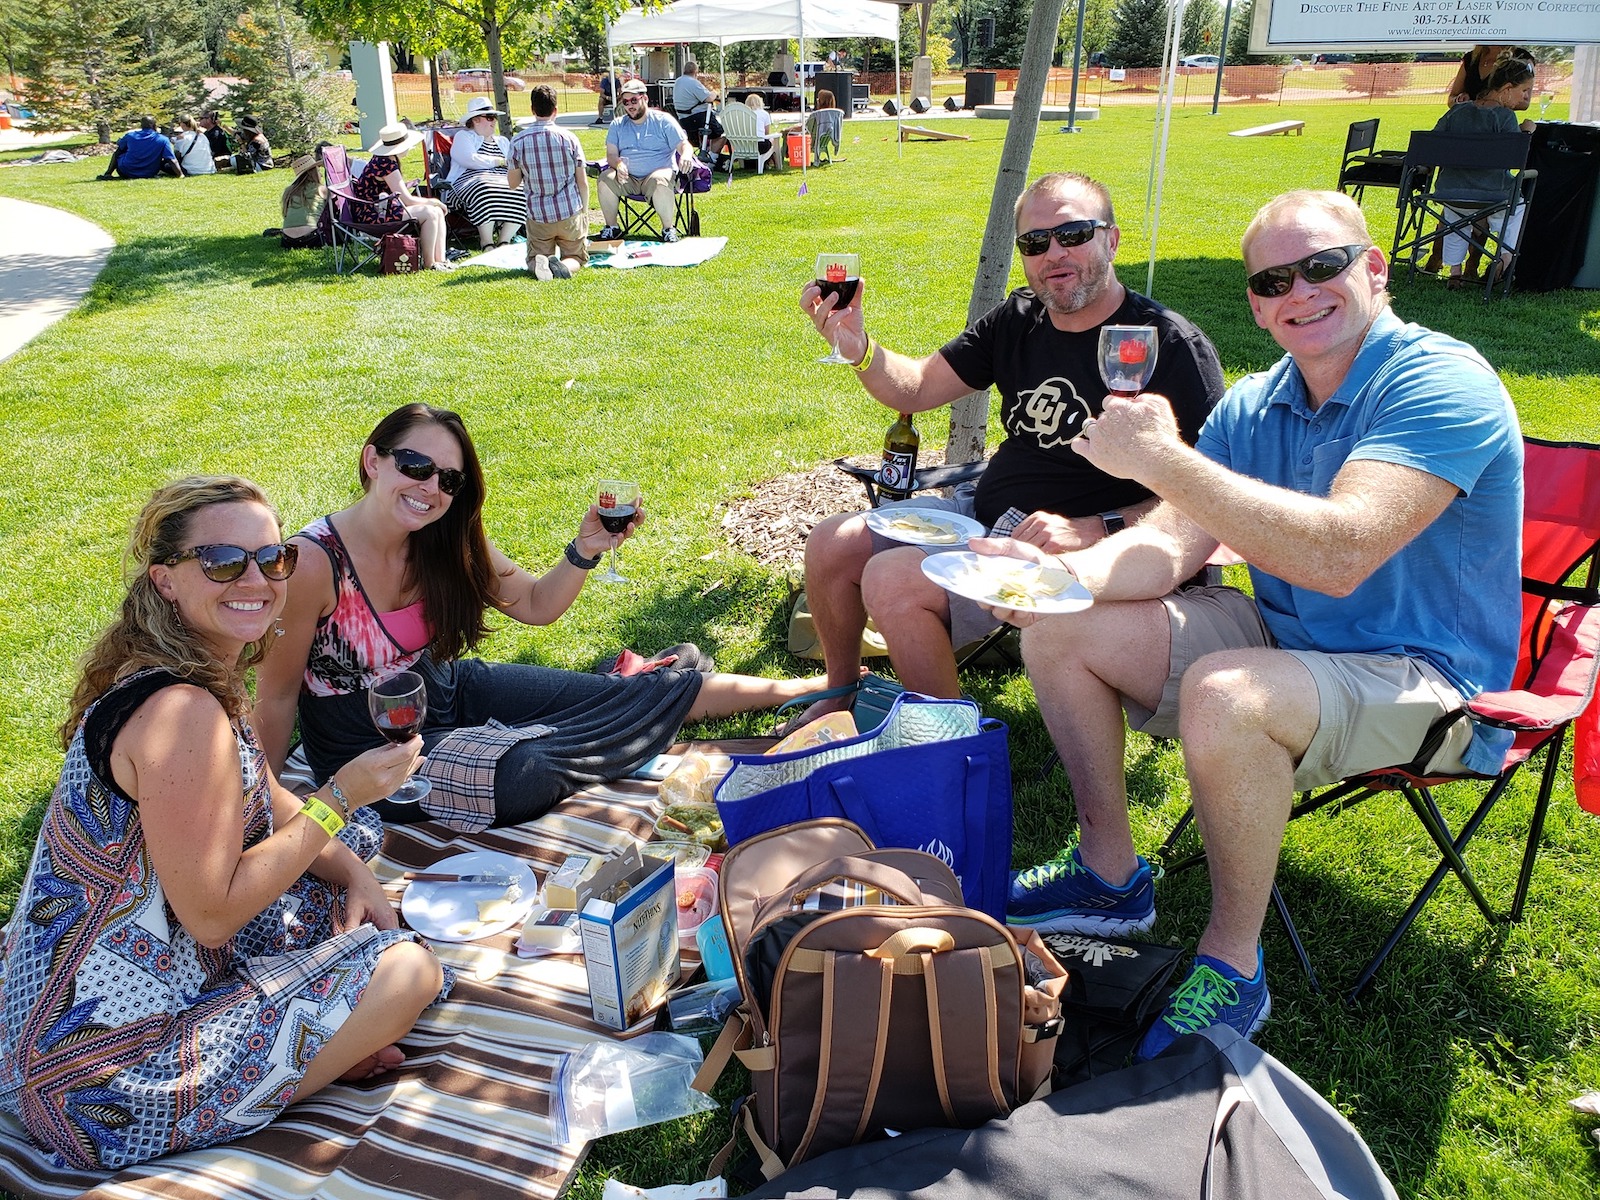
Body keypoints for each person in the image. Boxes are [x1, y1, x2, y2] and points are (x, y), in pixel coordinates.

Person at [988, 190, 1522, 1060]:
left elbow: (1340, 553)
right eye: (1274, 280)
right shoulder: (1257, 400)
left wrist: (1162, 459)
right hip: (1288, 635)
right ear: (1255, 304)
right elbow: (1166, 547)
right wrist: (1061, 579)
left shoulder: (1440, 381)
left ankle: (1232, 968)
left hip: (1424, 673)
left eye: (1323, 266)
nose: (1300, 292)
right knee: (1063, 629)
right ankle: (1110, 876)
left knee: (1227, 692)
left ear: (1374, 269)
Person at [0, 476, 451, 1172]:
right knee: (409, 970)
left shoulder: (190, 671)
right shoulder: (182, 715)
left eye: (273, 559)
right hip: (103, 1087)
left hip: (71, 1018)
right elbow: (213, 917)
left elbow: (267, 796)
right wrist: (342, 793)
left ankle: (314, 1046)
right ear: (167, 581)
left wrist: (356, 868)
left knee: (338, 873)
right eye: (221, 562)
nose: (257, 579)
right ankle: (304, 1069)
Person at [253, 404, 829, 832]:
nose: (430, 488)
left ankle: (807, 688)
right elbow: (276, 698)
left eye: (448, 480)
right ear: (373, 461)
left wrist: (584, 550)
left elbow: (535, 605)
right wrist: (268, 808)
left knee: (645, 696)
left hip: (445, 690)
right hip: (369, 746)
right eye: (415, 464)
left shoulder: (445, 538)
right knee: (523, 772)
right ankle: (633, 694)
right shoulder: (312, 563)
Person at [793, 171, 1223, 721]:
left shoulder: (1165, 344)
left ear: (1111, 239)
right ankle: (841, 693)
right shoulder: (1019, 319)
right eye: (1035, 242)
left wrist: (1103, 525)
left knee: (892, 580)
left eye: (1073, 234)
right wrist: (857, 347)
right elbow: (917, 386)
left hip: (1088, 550)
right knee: (833, 541)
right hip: (984, 517)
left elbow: (1213, 494)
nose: (1053, 254)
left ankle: (949, 747)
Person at [1431, 55, 1537, 290]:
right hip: (1492, 197)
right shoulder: (1505, 116)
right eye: (1524, 91)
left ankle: (1454, 271)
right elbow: (1515, 158)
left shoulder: (1456, 112)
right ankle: (1505, 258)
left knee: (1454, 217)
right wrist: (1526, 133)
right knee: (1516, 207)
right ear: (1507, 89)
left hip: (1450, 192)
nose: (1526, 97)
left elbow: (1432, 142)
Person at [507, 84, 590, 280]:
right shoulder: (570, 138)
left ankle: (541, 264)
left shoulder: (518, 141)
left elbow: (513, 183)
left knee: (535, 258)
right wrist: (583, 211)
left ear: (532, 110)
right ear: (556, 110)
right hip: (569, 211)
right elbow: (582, 182)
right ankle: (564, 267)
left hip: (539, 215)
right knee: (576, 256)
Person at [596, 79, 694, 243]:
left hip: (657, 175)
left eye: (634, 100)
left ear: (645, 99)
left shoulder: (663, 121)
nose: (630, 105)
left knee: (660, 180)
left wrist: (685, 155)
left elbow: (685, 145)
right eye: (625, 102)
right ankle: (612, 227)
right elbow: (611, 154)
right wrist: (618, 164)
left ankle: (668, 229)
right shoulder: (617, 124)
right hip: (627, 178)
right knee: (605, 178)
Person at [351, 123, 453, 271]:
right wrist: (434, 201)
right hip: (373, 215)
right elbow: (407, 200)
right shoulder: (386, 164)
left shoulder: (384, 159)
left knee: (435, 211)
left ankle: (441, 260)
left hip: (381, 209)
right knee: (431, 212)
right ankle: (430, 264)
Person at [446, 96, 525, 251]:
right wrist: (499, 161)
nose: (493, 121)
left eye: (494, 117)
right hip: (468, 181)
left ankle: (504, 241)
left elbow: (513, 163)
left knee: (522, 189)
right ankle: (487, 242)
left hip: (501, 180)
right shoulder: (464, 137)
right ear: (475, 120)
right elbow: (469, 160)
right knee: (484, 187)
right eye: (489, 118)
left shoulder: (502, 141)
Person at [673, 59, 728, 165]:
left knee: (710, 134)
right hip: (699, 117)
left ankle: (705, 155)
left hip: (683, 119)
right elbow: (708, 98)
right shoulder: (693, 82)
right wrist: (715, 93)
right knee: (721, 135)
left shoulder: (678, 81)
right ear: (696, 72)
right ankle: (711, 161)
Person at [99, 115, 181, 180]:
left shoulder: (130, 136)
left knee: (120, 151)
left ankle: (108, 173)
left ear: (141, 125)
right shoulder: (163, 139)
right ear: (154, 125)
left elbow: (118, 151)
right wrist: (180, 174)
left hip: (126, 171)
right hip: (149, 172)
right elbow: (171, 159)